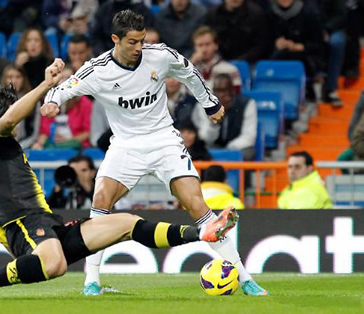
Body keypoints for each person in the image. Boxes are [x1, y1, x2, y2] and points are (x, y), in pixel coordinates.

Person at [0, 58, 237, 300]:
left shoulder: (4, 145)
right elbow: (9, 119)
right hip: (19, 222)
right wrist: (46, 84)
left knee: (125, 224)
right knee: (54, 265)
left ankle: (203, 234)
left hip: (44, 221)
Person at [41, 10, 267, 296]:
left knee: (197, 205)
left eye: (142, 40)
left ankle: (245, 278)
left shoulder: (160, 55)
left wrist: (210, 104)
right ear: (115, 39)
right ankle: (92, 282)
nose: (139, 48)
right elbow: (65, 87)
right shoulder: (97, 69)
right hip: (125, 145)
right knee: (100, 202)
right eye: (133, 42)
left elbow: (190, 72)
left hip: (163, 141)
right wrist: (52, 102)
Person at [193, 73, 257, 161]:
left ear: (233, 91)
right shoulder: (203, 105)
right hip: (211, 146)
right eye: (218, 91)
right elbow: (205, 137)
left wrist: (228, 149)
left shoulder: (247, 104)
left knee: (248, 153)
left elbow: (249, 137)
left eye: (226, 90)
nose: (223, 94)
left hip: (236, 148)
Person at [35, 66, 93, 150]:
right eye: (62, 78)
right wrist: (39, 144)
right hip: (54, 147)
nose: (65, 81)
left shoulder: (85, 103)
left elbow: (88, 132)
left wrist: (68, 140)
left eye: (69, 78)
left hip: (78, 148)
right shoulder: (49, 101)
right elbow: (44, 131)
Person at [205, 0, 270, 63]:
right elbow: (209, 40)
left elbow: (261, 45)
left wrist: (239, 61)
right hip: (219, 62)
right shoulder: (213, 14)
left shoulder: (257, 14)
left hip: (249, 63)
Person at [0, 64, 39, 149]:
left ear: (24, 79)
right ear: (5, 79)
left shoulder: (33, 101)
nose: (14, 80)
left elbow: (34, 134)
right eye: (10, 77)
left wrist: (16, 147)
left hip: (24, 146)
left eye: (18, 77)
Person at [190, 26, 241, 91]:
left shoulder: (230, 69)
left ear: (216, 45)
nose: (204, 49)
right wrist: (191, 63)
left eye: (207, 44)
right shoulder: (190, 69)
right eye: (200, 45)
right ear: (195, 48)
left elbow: (236, 96)